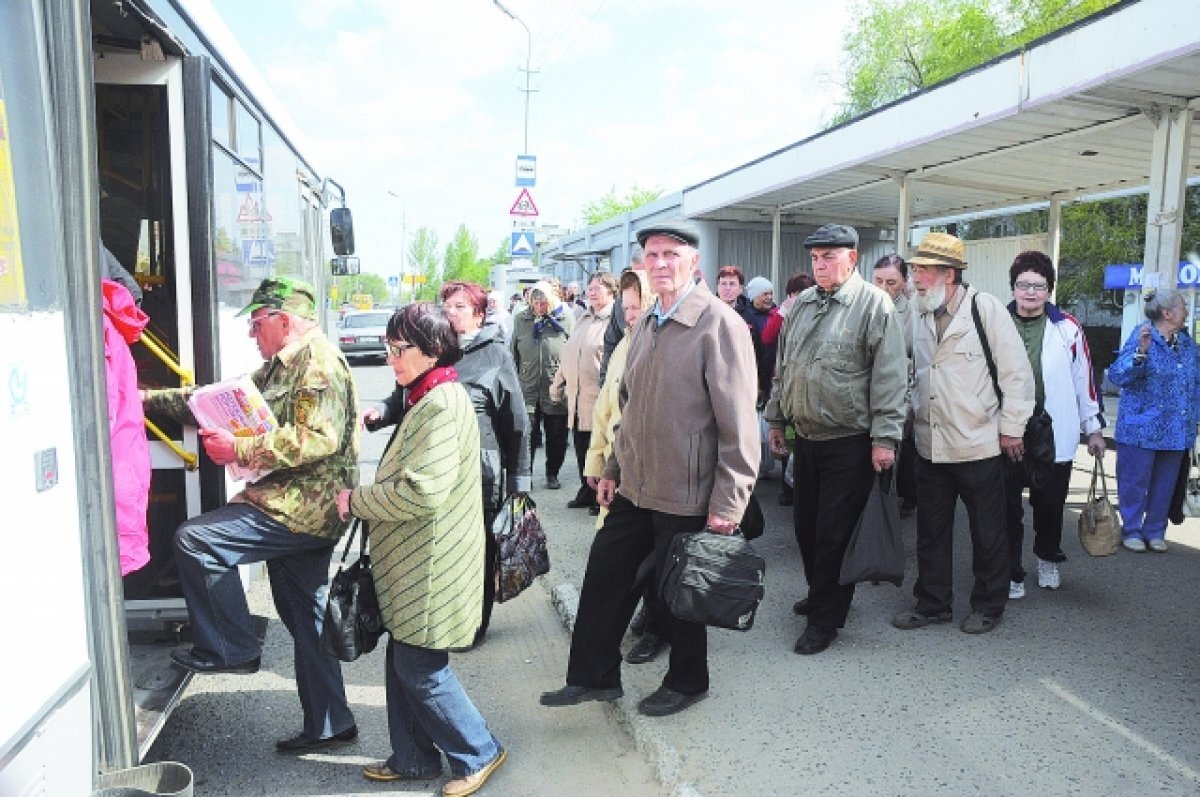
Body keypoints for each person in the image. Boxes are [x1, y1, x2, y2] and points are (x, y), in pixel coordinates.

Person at [539, 220, 758, 718]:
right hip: (635, 482)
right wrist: (612, 467)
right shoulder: (647, 322)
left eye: (670, 254)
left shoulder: (718, 324)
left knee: (679, 593)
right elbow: (629, 405)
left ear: (693, 262)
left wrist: (729, 504)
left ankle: (688, 680)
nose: (659, 264)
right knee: (605, 576)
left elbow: (740, 425)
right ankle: (594, 677)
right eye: (651, 255)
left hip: (688, 488)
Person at [142, 276, 358, 751]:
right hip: (296, 504)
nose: (251, 333)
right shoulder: (282, 365)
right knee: (308, 620)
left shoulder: (317, 364)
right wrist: (143, 401)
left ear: (285, 320)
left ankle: (230, 647)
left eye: (258, 323)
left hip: (302, 507)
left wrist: (239, 445)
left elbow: (318, 439)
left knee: (196, 540)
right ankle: (331, 724)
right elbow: (212, 400)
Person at [337, 304, 506, 796]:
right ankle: (413, 758)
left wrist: (357, 500)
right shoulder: (425, 394)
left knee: (421, 668)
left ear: (434, 350)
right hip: (416, 563)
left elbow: (422, 491)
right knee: (403, 660)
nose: (391, 358)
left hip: (433, 567)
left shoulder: (440, 403)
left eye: (400, 349)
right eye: (389, 348)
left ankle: (479, 751)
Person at [364, 282, 532, 646]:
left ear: (479, 314)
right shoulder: (431, 349)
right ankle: (438, 619)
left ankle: (473, 624)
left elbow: (515, 420)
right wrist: (382, 412)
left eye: (460, 306)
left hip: (480, 470)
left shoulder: (496, 354)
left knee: (477, 549)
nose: (451, 312)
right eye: (447, 305)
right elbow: (404, 396)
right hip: (432, 464)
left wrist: (520, 482)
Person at [765, 224, 907, 655]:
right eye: (815, 258)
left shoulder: (875, 305)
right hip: (806, 437)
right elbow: (784, 368)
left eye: (829, 256)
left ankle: (825, 620)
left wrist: (885, 439)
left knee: (833, 534)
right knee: (806, 529)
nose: (821, 264)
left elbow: (889, 379)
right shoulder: (803, 305)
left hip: (851, 440)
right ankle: (820, 590)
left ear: (853, 258)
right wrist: (776, 420)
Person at [892, 232, 1034, 635]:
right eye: (915, 270)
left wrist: (1011, 430)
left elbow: (1016, 375)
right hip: (930, 444)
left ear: (949, 275)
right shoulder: (919, 313)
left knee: (988, 532)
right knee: (930, 531)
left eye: (922, 270)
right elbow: (910, 373)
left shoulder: (983, 309)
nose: (914, 277)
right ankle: (932, 603)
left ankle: (989, 605)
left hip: (979, 443)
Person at [1002, 251, 1106, 597]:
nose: (1030, 292)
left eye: (1038, 286)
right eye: (1023, 285)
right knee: (1006, 506)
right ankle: (1012, 571)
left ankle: (1047, 558)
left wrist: (1093, 428)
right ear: (1013, 286)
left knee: (1049, 503)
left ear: (1049, 290)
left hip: (1052, 427)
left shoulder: (1067, 327)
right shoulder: (996, 323)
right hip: (1007, 429)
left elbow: (1084, 381)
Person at [1107, 287, 1200, 553]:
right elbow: (1118, 375)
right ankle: (1132, 530)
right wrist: (1141, 353)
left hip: (1176, 429)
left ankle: (1156, 531)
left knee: (1165, 485)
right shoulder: (1143, 335)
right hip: (1141, 427)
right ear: (1168, 313)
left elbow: (1195, 383)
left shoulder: (1186, 343)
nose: (1186, 313)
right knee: (1134, 483)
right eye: (1183, 308)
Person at [552, 272, 618, 512]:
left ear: (611, 292)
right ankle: (585, 490)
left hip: (596, 397)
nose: (591, 293)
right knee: (581, 447)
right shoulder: (583, 317)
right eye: (589, 288)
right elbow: (569, 353)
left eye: (597, 289)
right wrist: (557, 383)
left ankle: (597, 495)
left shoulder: (613, 320)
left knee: (597, 448)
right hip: (576, 397)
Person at [510, 280, 575, 489]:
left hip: (555, 387)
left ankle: (552, 473)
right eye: (535, 302)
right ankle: (525, 476)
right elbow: (513, 353)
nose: (539, 306)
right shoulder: (521, 319)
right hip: (527, 387)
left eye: (543, 302)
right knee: (525, 435)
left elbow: (574, 352)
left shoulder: (565, 319)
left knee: (556, 435)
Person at [872, 254, 918, 517]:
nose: (883, 288)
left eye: (891, 282)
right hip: (865, 397)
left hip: (897, 397)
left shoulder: (911, 313)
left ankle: (889, 508)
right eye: (878, 280)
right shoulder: (864, 304)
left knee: (890, 455)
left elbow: (913, 360)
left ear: (904, 283)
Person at [600, 244, 645, 384]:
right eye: (634, 273)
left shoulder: (666, 306)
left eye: (643, 274)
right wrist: (604, 384)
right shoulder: (620, 304)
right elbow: (610, 344)